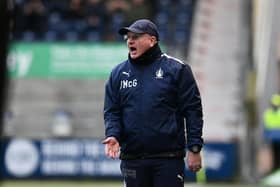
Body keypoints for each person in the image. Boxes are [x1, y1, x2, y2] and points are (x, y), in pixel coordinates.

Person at [102, 19, 204, 187]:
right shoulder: (118, 74)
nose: (130, 41)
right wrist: (113, 134)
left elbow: (193, 111)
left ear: (152, 40)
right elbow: (112, 111)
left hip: (168, 159)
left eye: (136, 37)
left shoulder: (177, 70)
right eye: (128, 37)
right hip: (132, 159)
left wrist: (194, 148)